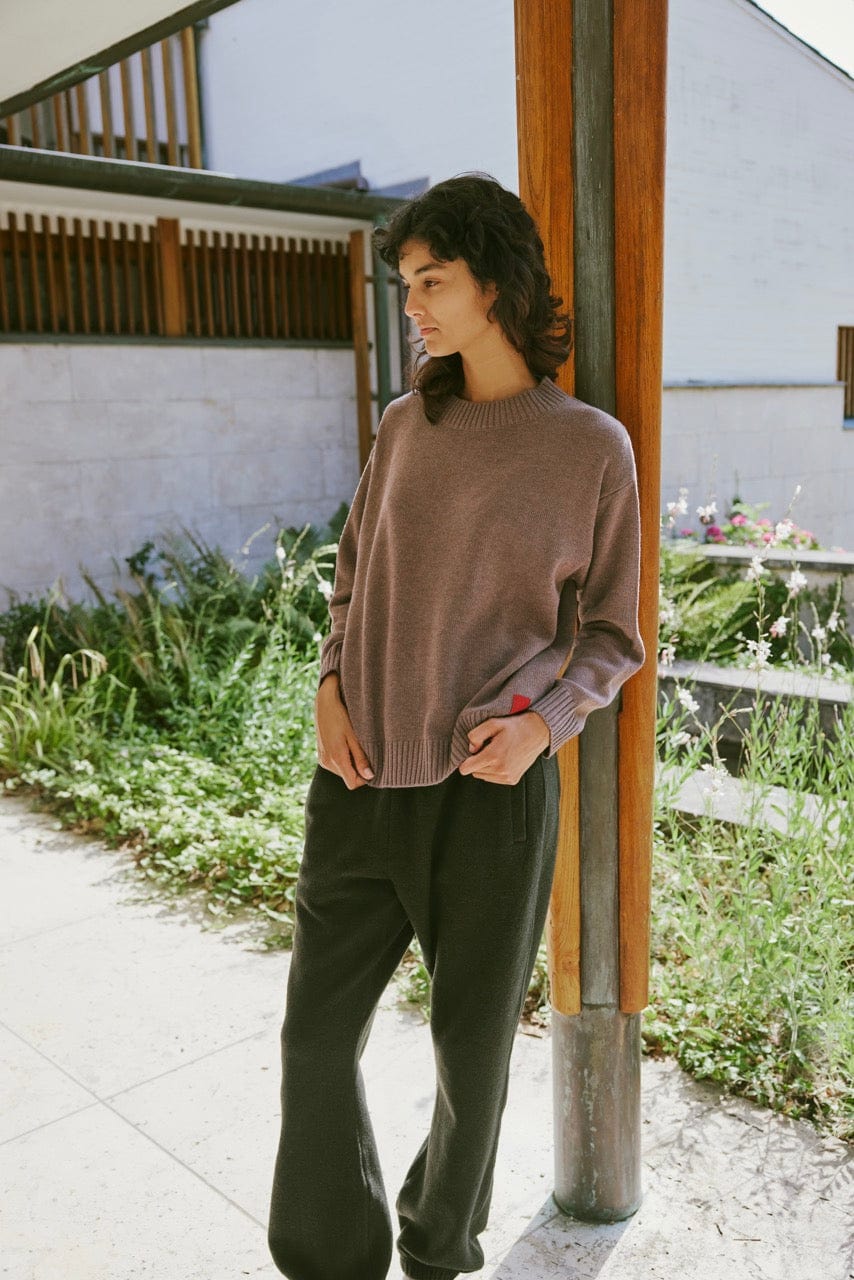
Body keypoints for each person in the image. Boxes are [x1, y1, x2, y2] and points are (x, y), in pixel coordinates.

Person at [267, 172, 646, 1280]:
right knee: (311, 1038)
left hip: (489, 793)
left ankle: (437, 1250)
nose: (413, 307)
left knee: (468, 1059)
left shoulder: (590, 448)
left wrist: (544, 726)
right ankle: (331, 1258)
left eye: (431, 281)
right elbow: (351, 580)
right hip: (358, 774)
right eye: (406, 285)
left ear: (496, 283)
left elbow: (612, 634)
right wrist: (328, 684)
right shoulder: (404, 426)